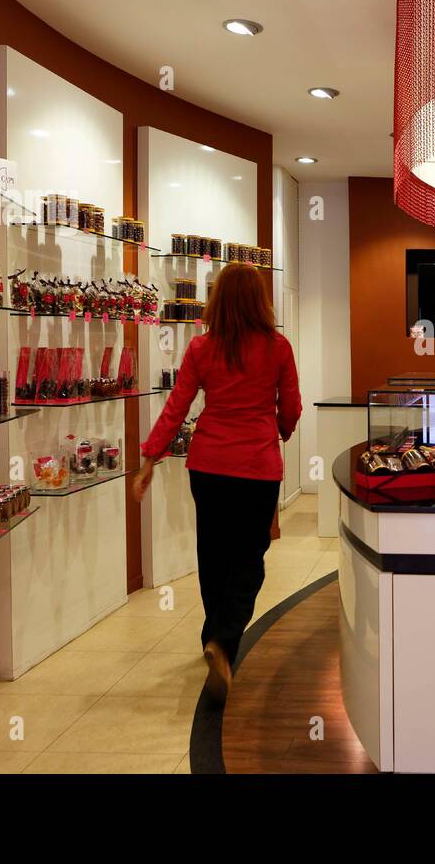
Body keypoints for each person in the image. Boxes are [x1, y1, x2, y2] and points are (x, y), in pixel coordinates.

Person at [131, 263, 301, 702]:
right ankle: (223, 642)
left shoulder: (201, 348)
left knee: (213, 551)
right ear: (260, 301)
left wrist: (150, 456)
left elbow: (177, 405)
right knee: (249, 557)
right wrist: (280, 431)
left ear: (218, 300)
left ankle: (214, 639)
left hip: (208, 466)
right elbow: (293, 407)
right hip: (257, 467)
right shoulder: (278, 347)